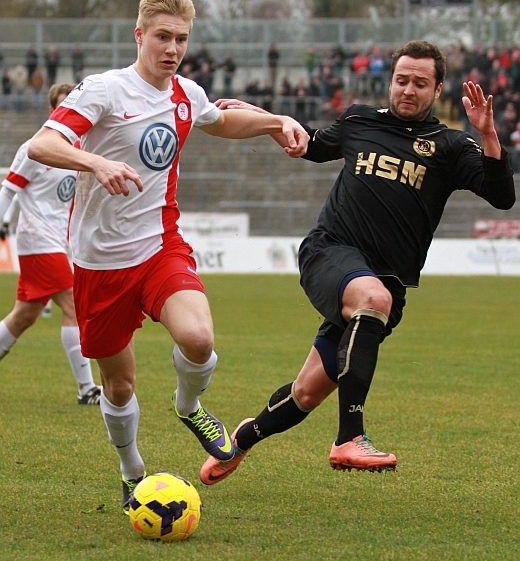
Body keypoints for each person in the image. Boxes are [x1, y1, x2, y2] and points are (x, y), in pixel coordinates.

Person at [27, 0, 309, 512]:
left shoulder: (186, 93)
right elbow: (42, 144)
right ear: (140, 35)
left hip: (161, 246)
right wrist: (96, 162)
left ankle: (189, 406)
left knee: (199, 339)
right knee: (118, 386)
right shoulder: (103, 90)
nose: (172, 48)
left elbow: (220, 121)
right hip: (99, 263)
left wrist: (276, 122)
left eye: (181, 39)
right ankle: (131, 470)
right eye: (162, 37)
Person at [200, 39, 515, 485]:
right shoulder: (360, 120)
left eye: (420, 83)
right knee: (372, 298)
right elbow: (308, 144)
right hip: (329, 252)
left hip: (386, 285)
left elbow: (502, 196)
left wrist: (487, 134)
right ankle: (350, 437)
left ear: (437, 89)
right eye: (401, 80)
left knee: (306, 393)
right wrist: (262, 116)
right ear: (390, 81)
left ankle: (242, 439)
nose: (408, 90)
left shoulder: (450, 145)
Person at [0, 83, 101, 405]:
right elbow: (9, 189)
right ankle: (87, 389)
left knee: (24, 315)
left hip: (59, 241)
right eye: (62, 106)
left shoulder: (79, 150)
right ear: (52, 112)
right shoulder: (34, 148)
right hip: (37, 239)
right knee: (73, 305)